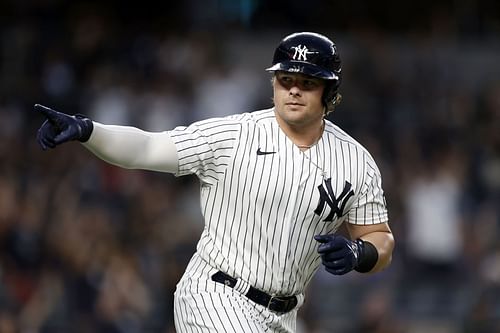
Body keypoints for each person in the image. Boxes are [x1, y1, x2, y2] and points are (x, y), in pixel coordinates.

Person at [36, 32, 395, 333]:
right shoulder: (232, 135)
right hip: (215, 293)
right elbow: (147, 146)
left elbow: (379, 237)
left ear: (329, 92)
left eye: (308, 82)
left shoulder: (356, 161)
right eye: (286, 79)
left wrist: (359, 253)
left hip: (283, 315)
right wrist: (89, 130)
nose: (294, 90)